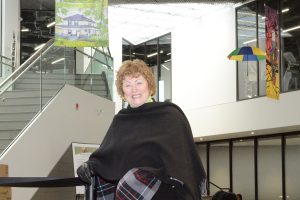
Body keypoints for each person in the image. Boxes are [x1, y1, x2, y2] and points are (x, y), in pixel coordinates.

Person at [76, 59, 206, 200]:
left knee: (130, 182)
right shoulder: (120, 120)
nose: (134, 89)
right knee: (102, 182)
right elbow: (108, 155)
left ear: (149, 86)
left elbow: (182, 163)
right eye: (127, 85)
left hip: (166, 187)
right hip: (130, 188)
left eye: (138, 82)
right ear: (122, 91)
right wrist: (90, 165)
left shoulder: (170, 115)